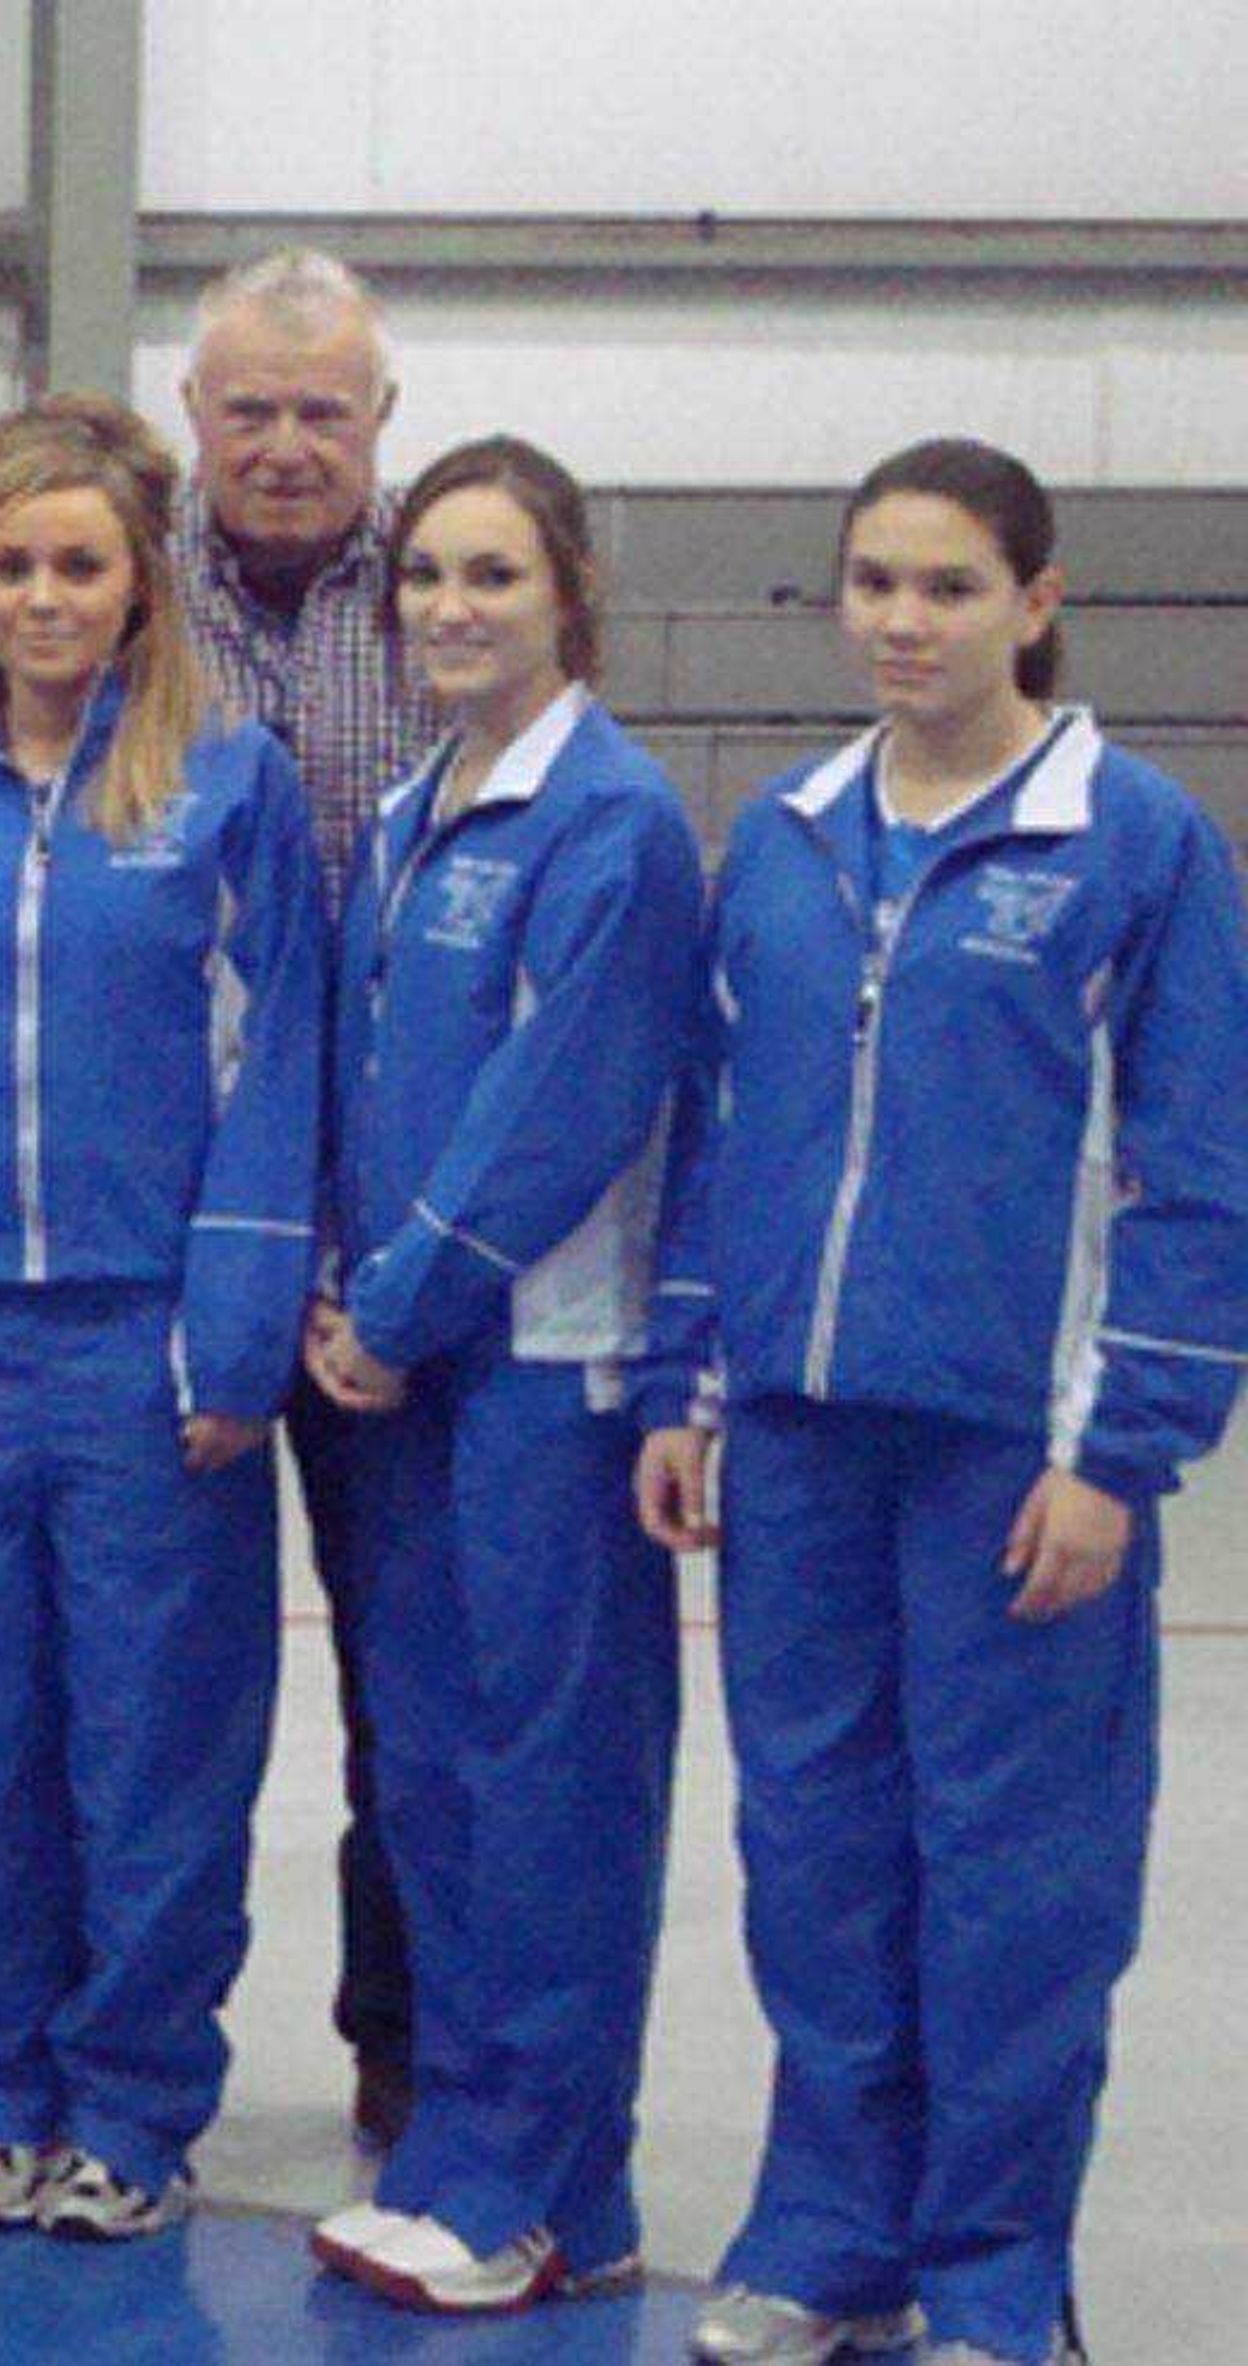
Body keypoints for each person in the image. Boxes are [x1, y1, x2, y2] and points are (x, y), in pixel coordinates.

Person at [638, 440, 1248, 2366]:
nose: (906, 623)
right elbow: (725, 1137)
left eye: (951, 587)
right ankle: (829, 2236)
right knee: (815, 1851)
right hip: (803, 1436)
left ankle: (994, 2276)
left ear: (1037, 604)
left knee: (1014, 1875)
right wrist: (694, 1381)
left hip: (1013, 1452)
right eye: (877, 584)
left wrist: (1119, 1455)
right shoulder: (793, 837)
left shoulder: (1134, 845)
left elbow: (1196, 1165)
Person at [0, 393, 321, 2242]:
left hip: (143, 1346)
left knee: (154, 1748)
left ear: (138, 584)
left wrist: (237, 1319)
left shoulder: (225, 787)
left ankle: (132, 2100)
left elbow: (283, 1067)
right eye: (11, 561)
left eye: (80, 563)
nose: (42, 596)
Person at [299, 436, 696, 2315]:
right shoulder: (409, 814)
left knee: (552, 1788)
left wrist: (395, 1304)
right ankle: (470, 2148)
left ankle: (552, 2185)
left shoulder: (608, 823)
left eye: (493, 577)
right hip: (413, 1375)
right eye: (428, 578)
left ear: (569, 599)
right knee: (439, 1777)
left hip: (542, 1373)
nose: (452, 609)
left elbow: (559, 1115)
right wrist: (351, 1302)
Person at [176, 244, 442, 2145]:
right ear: (194, 415)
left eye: (321, 412)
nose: (285, 446)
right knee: (145, 1693)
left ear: (380, 421)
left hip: (394, 1254)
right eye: (250, 409)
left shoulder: (453, 587)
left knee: (409, 1681)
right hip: (166, 1244)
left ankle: (407, 2037)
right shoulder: (107, 579)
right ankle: (122, 2046)